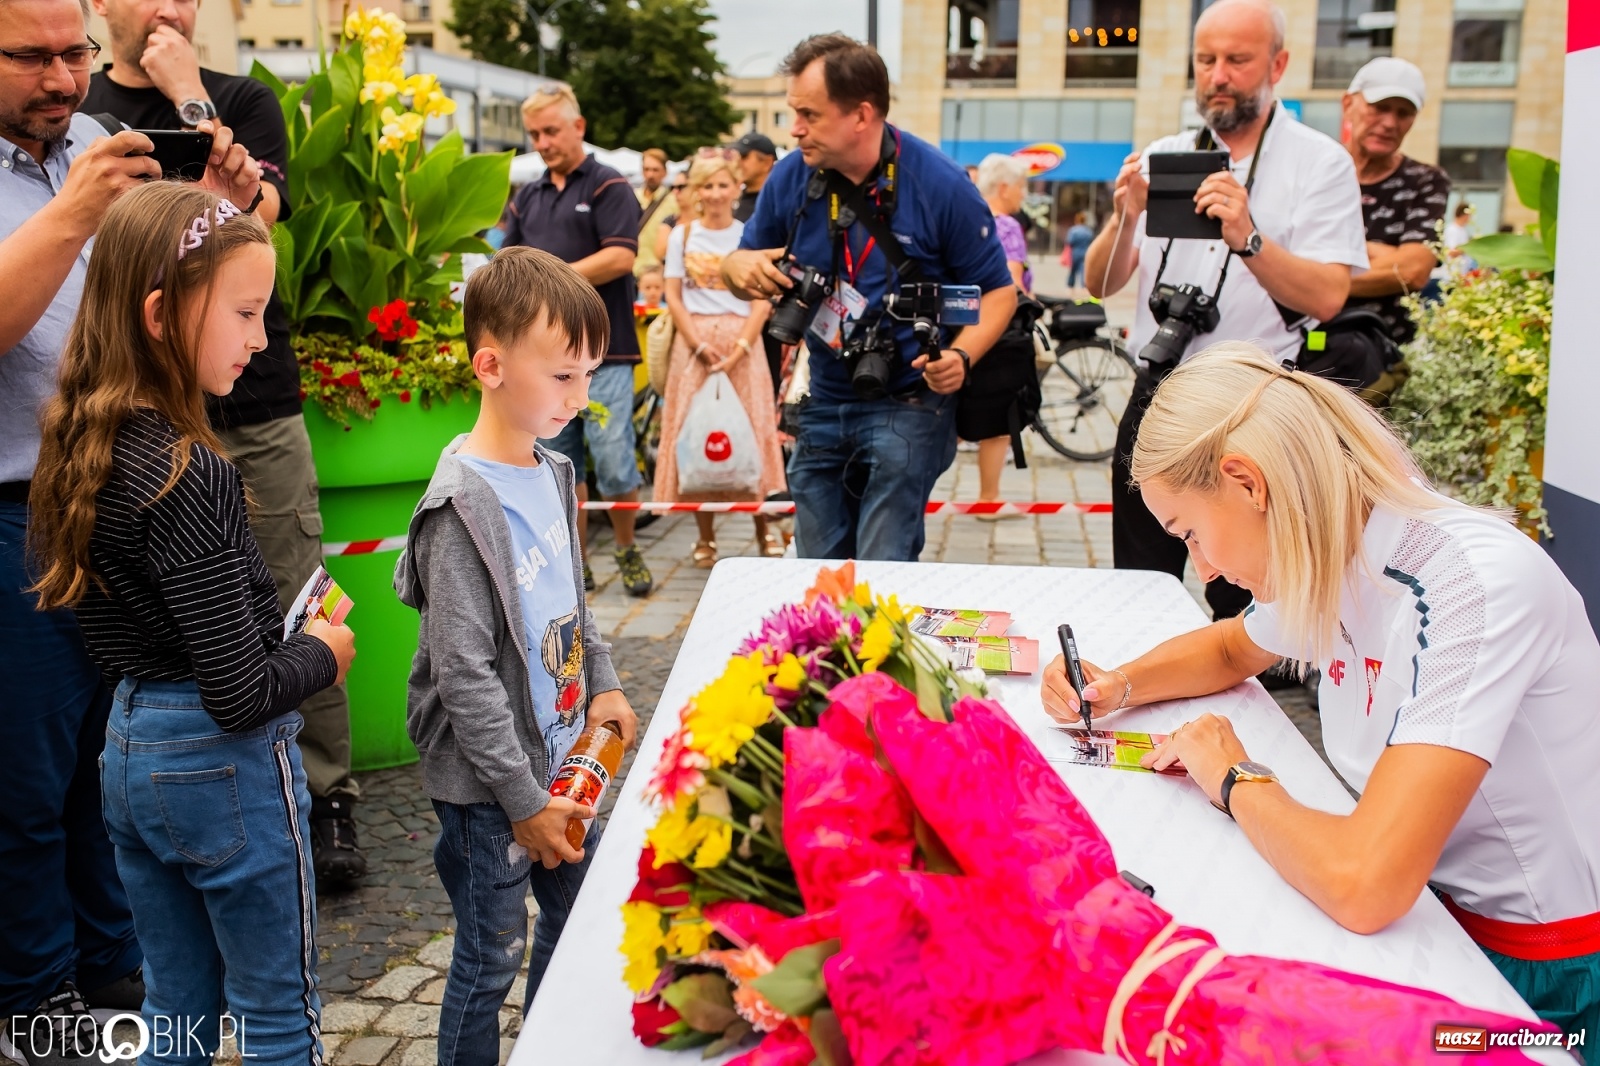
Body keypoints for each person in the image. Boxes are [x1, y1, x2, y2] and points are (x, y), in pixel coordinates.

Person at [1040, 344, 1600, 1054]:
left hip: (1556, 973)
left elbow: (1365, 883)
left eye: (1192, 535)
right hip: (1446, 922)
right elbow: (1231, 647)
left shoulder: (1472, 587)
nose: (1203, 569)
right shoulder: (1338, 541)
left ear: (1247, 482)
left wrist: (1235, 777)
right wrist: (1114, 684)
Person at [30, 181, 356, 1066]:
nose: (261, 339)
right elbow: (240, 693)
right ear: (160, 315)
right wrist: (321, 653)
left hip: (130, 746)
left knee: (176, 1007)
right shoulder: (189, 472)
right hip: (220, 764)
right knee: (277, 1015)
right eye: (244, 313)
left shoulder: (82, 442)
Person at [0, 0, 255, 1047]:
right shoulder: (76, 180)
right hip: (12, 511)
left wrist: (214, 210)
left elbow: (173, 296)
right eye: (32, 57)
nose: (64, 79)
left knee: (103, 766)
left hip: (113, 489)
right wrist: (72, 214)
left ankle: (114, 971)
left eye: (74, 53)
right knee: (22, 782)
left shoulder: (104, 144)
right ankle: (32, 999)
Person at [84, 0, 370, 883]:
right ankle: (201, 800)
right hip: (147, 402)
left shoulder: (239, 98)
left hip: (255, 406)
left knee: (288, 588)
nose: (171, 8)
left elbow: (257, 214)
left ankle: (324, 796)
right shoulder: (82, 110)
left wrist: (188, 95)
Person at [393, 247, 637, 1065]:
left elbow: (572, 601)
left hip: (563, 764)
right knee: (490, 956)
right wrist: (525, 802)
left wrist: (603, 685)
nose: (581, 396)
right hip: (491, 791)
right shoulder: (460, 509)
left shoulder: (555, 469)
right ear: (491, 366)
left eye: (589, 374)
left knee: (575, 919)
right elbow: (462, 675)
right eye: (563, 376)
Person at [1080, 0, 1366, 621]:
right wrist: (1124, 215)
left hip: (1254, 407)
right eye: (1205, 60)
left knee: (1249, 598)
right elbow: (1100, 283)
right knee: (1139, 581)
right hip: (1158, 390)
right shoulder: (1164, 153)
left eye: (1237, 60)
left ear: (1278, 65)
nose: (1218, 76)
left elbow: (1326, 296)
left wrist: (1248, 238)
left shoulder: (1319, 163)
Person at [723, 34, 1016, 561]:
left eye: (809, 114)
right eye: (794, 112)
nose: (794, 128)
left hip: (910, 398)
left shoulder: (941, 185)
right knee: (817, 566)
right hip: (824, 395)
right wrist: (735, 267)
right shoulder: (792, 175)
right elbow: (739, 264)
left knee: (883, 566)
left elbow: (999, 292)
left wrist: (961, 355)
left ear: (861, 115)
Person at [503, 83, 652, 596]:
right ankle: (576, 561)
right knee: (558, 463)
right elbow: (509, 261)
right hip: (544, 360)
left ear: (579, 127)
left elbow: (621, 256)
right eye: (534, 134)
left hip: (607, 353)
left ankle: (628, 549)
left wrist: (549, 278)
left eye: (551, 130)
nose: (542, 143)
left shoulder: (609, 185)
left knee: (613, 459)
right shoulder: (528, 195)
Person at [656, 153, 787, 566]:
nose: (715, 193)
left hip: (743, 341)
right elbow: (673, 295)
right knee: (696, 433)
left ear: (736, 188)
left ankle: (764, 528)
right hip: (693, 343)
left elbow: (763, 298)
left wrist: (742, 346)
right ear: (697, 191)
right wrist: (696, 343)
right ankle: (705, 536)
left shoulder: (749, 235)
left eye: (722, 184)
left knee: (754, 429)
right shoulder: (682, 235)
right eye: (707, 185)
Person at [1337, 58, 1449, 373]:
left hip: (1385, 361)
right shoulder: (1317, 171)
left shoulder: (1426, 181)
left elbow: (1413, 271)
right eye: (1380, 107)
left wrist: (1320, 273)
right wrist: (1381, 254)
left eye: (1403, 113)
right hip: (1303, 350)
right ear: (1348, 104)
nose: (1390, 123)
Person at [969, 152, 1033, 519]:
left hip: (967, 327)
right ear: (1005, 187)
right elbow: (1012, 283)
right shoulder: (1007, 226)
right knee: (999, 418)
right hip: (1000, 332)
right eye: (1022, 186)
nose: (1024, 194)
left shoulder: (970, 220)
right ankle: (988, 499)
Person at [633, 147, 678, 277]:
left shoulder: (674, 202)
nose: (650, 175)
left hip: (657, 273)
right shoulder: (632, 196)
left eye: (655, 170)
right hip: (631, 268)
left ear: (665, 172)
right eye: (646, 169)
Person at [731, 130, 777, 223]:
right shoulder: (733, 199)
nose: (738, 162)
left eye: (744, 156)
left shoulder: (775, 204)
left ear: (767, 162)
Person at [1064, 211, 1094, 289]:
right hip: (1085, 252)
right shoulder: (1088, 231)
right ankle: (1084, 285)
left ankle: (1071, 285)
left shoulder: (1073, 230)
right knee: (1083, 269)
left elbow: (1070, 241)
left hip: (1075, 252)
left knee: (1073, 270)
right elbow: (1091, 241)